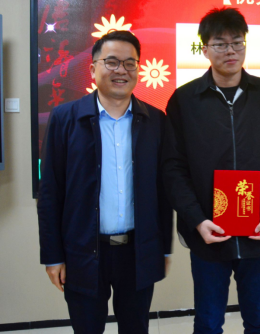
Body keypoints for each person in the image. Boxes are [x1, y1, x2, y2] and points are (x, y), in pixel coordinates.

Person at [163, 7, 260, 333]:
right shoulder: (184, 100)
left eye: (237, 42)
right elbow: (172, 168)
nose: (230, 51)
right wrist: (197, 219)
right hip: (208, 233)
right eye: (220, 44)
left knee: (259, 319)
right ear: (204, 49)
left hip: (258, 231)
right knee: (208, 322)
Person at [38, 30, 173, 334]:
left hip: (137, 251)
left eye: (130, 63)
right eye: (111, 62)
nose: (121, 70)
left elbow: (162, 192)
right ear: (93, 68)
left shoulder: (155, 120)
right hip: (83, 251)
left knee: (136, 328)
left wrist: (163, 249)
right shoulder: (65, 118)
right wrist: (53, 256)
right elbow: (50, 193)